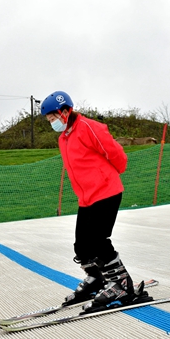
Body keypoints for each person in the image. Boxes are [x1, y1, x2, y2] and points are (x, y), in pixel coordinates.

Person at [40, 90, 151, 313]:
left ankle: (121, 285)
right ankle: (98, 280)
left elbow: (116, 153)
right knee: (82, 246)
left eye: (53, 119)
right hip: (86, 198)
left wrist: (112, 175)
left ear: (65, 111)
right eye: (49, 121)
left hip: (106, 191)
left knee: (98, 240)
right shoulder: (64, 138)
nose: (52, 123)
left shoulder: (89, 127)